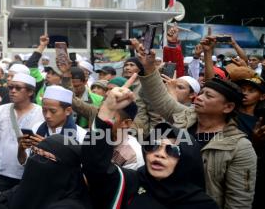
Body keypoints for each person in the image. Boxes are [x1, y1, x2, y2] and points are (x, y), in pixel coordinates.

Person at [134, 37, 257, 208]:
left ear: (228, 107)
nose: (199, 98)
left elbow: (239, 201)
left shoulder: (239, 147)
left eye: (208, 96)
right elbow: (159, 98)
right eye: (202, 93)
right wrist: (148, 67)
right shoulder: (185, 116)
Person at [83, 86, 218, 208]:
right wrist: (108, 109)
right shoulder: (128, 182)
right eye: (154, 146)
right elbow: (96, 165)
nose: (160, 154)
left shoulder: (202, 204)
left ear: (187, 160)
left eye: (172, 150)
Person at [0, 135, 91, 209]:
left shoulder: (70, 207)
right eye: (35, 152)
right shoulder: (23, 190)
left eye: (45, 157)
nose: (35, 160)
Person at [0, 73, 44, 191]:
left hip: (27, 174)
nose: (12, 91)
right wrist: (0, 157)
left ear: (30, 92)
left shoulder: (41, 113)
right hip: (1, 173)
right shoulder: (1, 110)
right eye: (11, 87)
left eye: (18, 88)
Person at [18, 86, 87, 165]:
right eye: (44, 110)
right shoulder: (37, 128)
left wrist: (50, 147)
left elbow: (81, 168)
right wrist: (21, 149)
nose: (47, 115)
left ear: (68, 111)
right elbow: (25, 162)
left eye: (53, 111)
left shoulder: (81, 135)